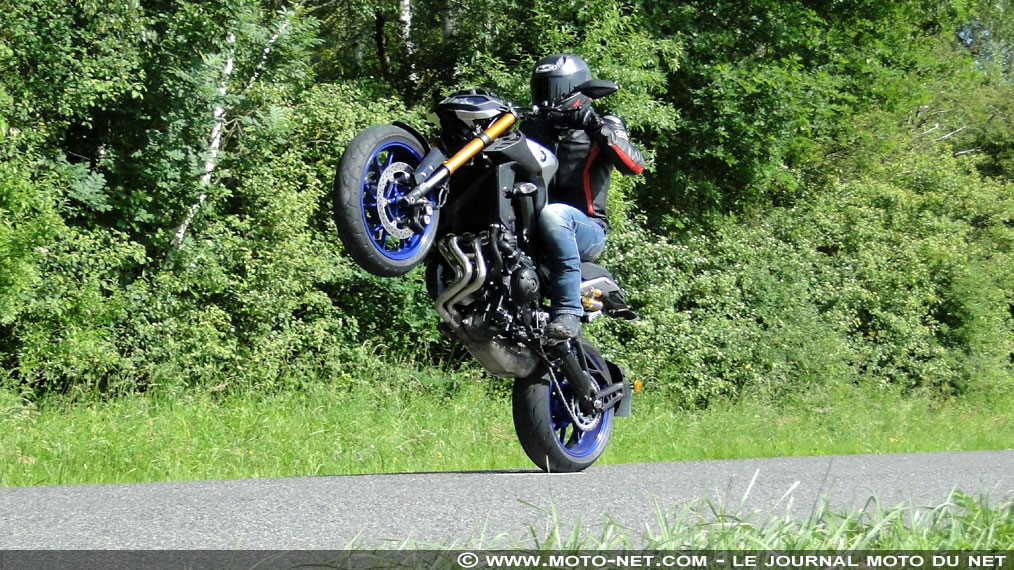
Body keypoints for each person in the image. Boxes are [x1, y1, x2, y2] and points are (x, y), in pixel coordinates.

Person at [521, 54, 646, 340]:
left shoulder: (603, 124)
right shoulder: (531, 129)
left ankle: (568, 311)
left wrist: (594, 125)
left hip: (587, 229)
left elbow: (635, 165)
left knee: (555, 213)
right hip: (537, 228)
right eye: (542, 89)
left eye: (553, 89)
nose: (547, 98)